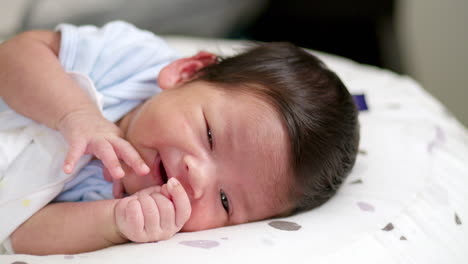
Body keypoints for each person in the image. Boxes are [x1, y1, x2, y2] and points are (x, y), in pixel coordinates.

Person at [0, 21, 359, 255]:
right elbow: (15, 54)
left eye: (224, 201)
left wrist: (113, 222)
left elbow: (16, 233)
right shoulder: (132, 63)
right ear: (188, 72)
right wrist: (74, 114)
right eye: (210, 136)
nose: (197, 178)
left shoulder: (126, 209)